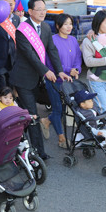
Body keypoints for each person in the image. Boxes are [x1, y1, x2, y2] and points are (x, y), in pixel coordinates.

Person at [9, 0, 70, 158]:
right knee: (33, 114)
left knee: (24, 116)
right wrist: (45, 71)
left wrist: (59, 71)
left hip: (37, 80)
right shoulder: (22, 29)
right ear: (30, 12)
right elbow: (30, 55)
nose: (43, 12)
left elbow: (52, 50)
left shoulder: (46, 27)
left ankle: (17, 144)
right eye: (39, 9)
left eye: (45, 8)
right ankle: (38, 152)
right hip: (23, 79)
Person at [40, 13, 82, 149]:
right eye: (66, 24)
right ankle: (61, 138)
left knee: (64, 108)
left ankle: (46, 120)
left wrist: (76, 69)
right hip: (54, 80)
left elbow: (78, 59)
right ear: (58, 26)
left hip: (68, 81)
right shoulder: (52, 40)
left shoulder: (73, 40)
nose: (69, 26)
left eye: (71, 23)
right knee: (58, 108)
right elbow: (51, 62)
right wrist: (69, 70)